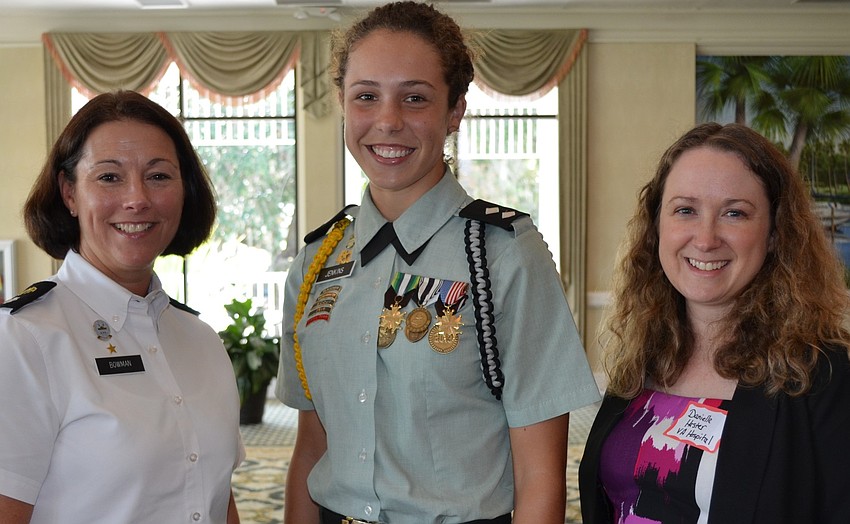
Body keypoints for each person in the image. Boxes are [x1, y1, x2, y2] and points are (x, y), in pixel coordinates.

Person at [276, 2, 601, 524]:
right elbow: (311, 448)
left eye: (414, 98)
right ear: (342, 102)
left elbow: (540, 476)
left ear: (454, 112)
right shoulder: (317, 261)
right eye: (366, 96)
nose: (387, 120)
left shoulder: (501, 252)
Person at [579, 122, 850, 523]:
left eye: (734, 213)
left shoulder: (821, 375)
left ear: (775, 232)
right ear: (656, 226)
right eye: (685, 210)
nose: (705, 239)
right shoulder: (643, 353)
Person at [0, 90, 244, 524]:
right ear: (69, 193)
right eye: (109, 177)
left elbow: (217, 499)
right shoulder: (24, 338)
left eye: (159, 176)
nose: (137, 200)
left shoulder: (201, 339)